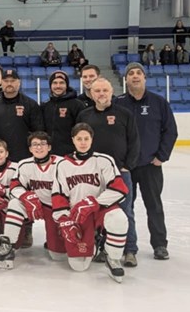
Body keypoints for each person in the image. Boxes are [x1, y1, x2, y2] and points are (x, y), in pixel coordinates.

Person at [51, 123, 130, 283]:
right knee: (78, 267)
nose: (83, 142)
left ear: (92, 139)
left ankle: (113, 258)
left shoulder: (104, 160)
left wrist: (93, 203)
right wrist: (64, 219)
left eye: (86, 138)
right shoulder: (62, 164)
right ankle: (95, 241)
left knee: (119, 219)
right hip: (77, 214)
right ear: (73, 140)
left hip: (101, 209)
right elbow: (58, 195)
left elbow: (120, 190)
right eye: (79, 138)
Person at [116, 63, 177, 265]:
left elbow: (170, 131)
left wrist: (161, 156)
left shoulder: (159, 103)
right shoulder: (118, 103)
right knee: (125, 209)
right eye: (131, 73)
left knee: (154, 206)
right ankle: (126, 246)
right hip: (127, 168)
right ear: (125, 79)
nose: (135, 76)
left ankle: (160, 245)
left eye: (138, 73)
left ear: (145, 78)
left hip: (151, 165)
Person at [76, 77, 139, 263]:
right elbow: (80, 142)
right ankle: (102, 247)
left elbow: (134, 142)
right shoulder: (84, 115)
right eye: (97, 91)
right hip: (93, 175)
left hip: (120, 173)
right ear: (91, 93)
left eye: (105, 90)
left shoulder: (124, 114)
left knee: (125, 211)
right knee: (96, 211)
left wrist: (128, 166)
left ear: (111, 92)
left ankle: (129, 250)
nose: (101, 94)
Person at [0, 132, 62, 269]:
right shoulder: (24, 164)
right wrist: (28, 197)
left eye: (42, 144)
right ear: (30, 149)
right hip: (32, 205)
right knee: (15, 203)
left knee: (58, 256)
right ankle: (8, 246)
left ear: (49, 147)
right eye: (35, 144)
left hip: (55, 208)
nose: (39, 147)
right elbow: (15, 187)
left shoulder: (61, 163)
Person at [0, 69, 44, 163]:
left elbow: (38, 132)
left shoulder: (30, 104)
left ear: (19, 82)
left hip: (24, 157)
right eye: (6, 81)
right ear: (1, 82)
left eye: (12, 81)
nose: (9, 83)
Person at [41, 71, 85, 156]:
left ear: (67, 85)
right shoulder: (45, 106)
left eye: (61, 83)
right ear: (50, 85)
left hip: (70, 154)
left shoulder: (77, 104)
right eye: (55, 83)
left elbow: (82, 130)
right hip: (49, 154)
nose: (58, 86)